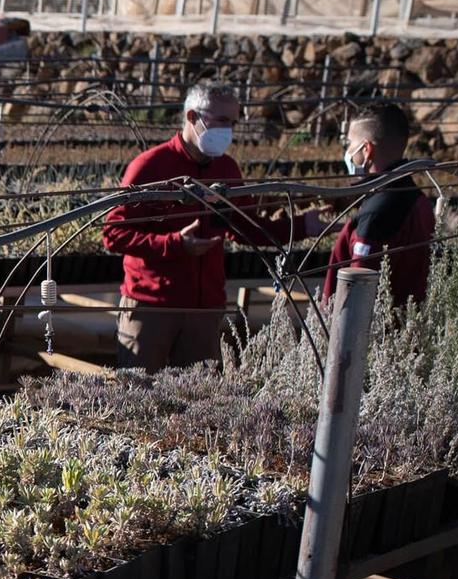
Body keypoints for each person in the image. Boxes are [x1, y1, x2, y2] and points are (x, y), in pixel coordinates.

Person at [101, 82, 318, 371]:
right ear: (192, 117)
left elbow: (246, 228)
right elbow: (113, 234)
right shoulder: (151, 166)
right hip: (152, 307)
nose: (228, 130)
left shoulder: (226, 169)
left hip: (204, 310)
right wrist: (175, 243)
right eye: (222, 121)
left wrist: (304, 225)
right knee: (141, 395)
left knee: (199, 402)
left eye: (233, 122)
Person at [320, 101, 434, 308]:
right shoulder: (419, 201)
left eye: (349, 144)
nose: (346, 152)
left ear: (367, 149)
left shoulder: (377, 214)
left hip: (370, 336)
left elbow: (355, 297)